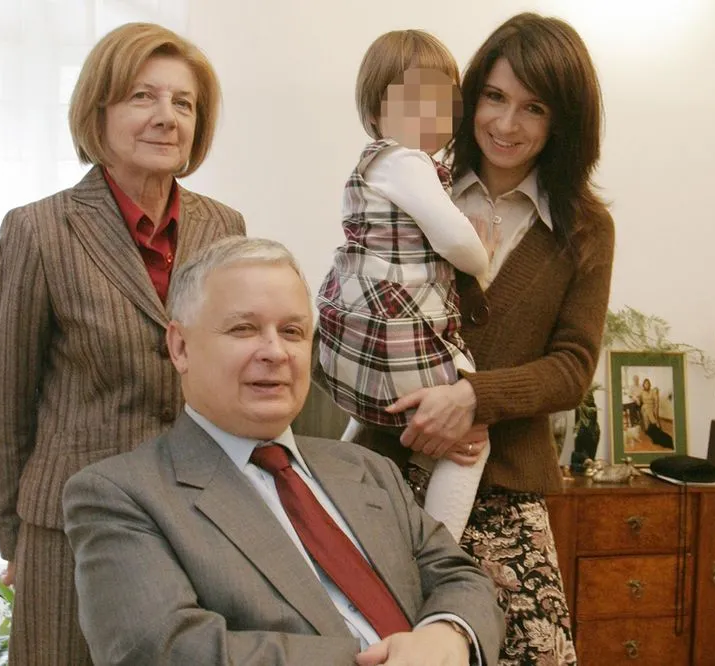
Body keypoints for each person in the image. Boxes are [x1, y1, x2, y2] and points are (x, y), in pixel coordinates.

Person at [62, 237, 504, 666]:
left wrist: (447, 634)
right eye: (243, 329)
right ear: (179, 347)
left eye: (292, 331)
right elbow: (162, 651)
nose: (275, 352)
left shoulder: (367, 467)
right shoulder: (121, 495)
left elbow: (460, 577)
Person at [0, 23, 245, 665]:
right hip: (71, 529)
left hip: (197, 520)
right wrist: (18, 538)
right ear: (98, 112)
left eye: (183, 103)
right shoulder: (39, 230)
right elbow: (5, 400)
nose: (166, 117)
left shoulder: (225, 227)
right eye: (141, 96)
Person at [356, 13, 614, 665]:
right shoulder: (414, 178)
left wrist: (472, 399)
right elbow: (364, 315)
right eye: (494, 96)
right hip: (387, 469)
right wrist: (415, 411)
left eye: (534, 107)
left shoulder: (584, 227)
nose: (506, 123)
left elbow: (573, 366)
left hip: (504, 484)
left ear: (563, 121)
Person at [316, 30, 494, 542]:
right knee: (470, 439)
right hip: (391, 335)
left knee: (383, 423)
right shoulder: (405, 161)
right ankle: (439, 547)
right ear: (376, 110)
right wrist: (482, 257)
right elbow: (457, 241)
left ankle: (342, 484)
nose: (431, 113)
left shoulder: (371, 166)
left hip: (352, 339)